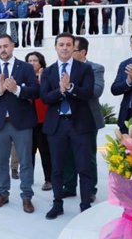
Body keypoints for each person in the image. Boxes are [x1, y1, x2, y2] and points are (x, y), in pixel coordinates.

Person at [0, 34, 39, 213]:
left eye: (5, 46)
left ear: (12, 46)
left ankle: (26, 196)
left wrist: (17, 89)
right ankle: (3, 194)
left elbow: (35, 91)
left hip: (22, 123)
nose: (2, 50)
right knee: (1, 162)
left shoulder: (26, 67)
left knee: (26, 162)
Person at [40, 33, 96, 219]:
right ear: (55, 47)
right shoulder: (47, 72)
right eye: (61, 44)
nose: (64, 47)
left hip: (80, 124)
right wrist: (60, 91)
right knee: (57, 168)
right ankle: (57, 204)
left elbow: (88, 93)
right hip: (57, 126)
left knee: (84, 167)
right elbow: (45, 98)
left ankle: (86, 204)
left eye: (68, 44)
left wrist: (70, 87)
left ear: (74, 47)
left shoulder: (84, 69)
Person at [61, 37, 105, 200]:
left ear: (83, 52)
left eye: (72, 48)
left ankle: (90, 189)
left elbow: (96, 90)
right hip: (66, 118)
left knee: (87, 156)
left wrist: (71, 86)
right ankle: (70, 186)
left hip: (87, 119)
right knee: (68, 155)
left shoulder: (95, 68)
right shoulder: (63, 67)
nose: (67, 51)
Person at [25, 51, 52, 191]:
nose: (32, 63)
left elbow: (46, 95)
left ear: (41, 62)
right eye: (29, 60)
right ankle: (28, 178)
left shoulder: (47, 76)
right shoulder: (23, 77)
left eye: (35, 60)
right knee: (28, 152)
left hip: (43, 120)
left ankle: (48, 179)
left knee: (45, 151)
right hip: (28, 121)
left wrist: (41, 78)